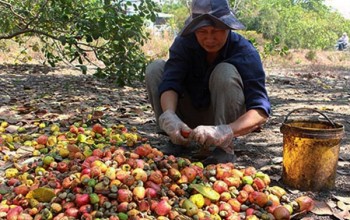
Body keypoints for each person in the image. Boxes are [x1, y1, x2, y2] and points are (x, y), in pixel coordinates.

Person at [145, 0, 271, 164]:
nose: (210, 38)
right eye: (202, 31)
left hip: (222, 120)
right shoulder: (184, 44)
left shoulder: (245, 52)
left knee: (225, 71)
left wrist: (226, 131)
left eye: (217, 31)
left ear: (228, 28)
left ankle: (223, 147)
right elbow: (170, 82)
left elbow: (260, 111)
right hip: (187, 116)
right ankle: (176, 137)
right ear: (194, 30)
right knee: (155, 68)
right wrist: (169, 115)